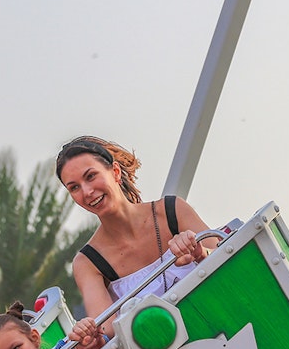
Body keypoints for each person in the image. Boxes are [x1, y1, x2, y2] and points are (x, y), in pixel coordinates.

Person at [55, 136, 218, 333]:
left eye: (91, 176)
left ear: (115, 172)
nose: (87, 192)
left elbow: (229, 257)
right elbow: (108, 333)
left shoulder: (173, 211)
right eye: (74, 187)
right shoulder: (88, 263)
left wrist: (200, 254)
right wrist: (91, 337)